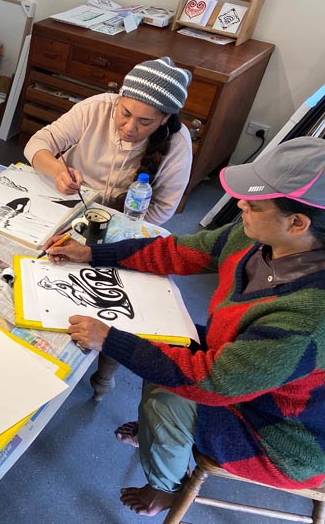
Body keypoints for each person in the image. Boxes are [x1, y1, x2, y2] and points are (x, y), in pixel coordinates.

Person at [43, 137, 325, 517]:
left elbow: (207, 383)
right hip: (244, 375)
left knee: (167, 395)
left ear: (297, 222)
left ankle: (166, 488)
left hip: (280, 434)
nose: (240, 204)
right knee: (161, 347)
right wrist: (95, 253)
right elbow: (179, 251)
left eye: (255, 203)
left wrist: (111, 339)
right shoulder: (257, 237)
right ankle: (165, 439)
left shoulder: (308, 316)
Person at [24, 57, 194, 225]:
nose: (129, 128)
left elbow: (163, 208)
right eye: (125, 113)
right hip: (67, 199)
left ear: (165, 118)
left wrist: (116, 227)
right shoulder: (96, 108)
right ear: (119, 100)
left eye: (144, 122)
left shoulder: (178, 144)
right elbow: (38, 143)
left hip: (121, 220)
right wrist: (58, 171)